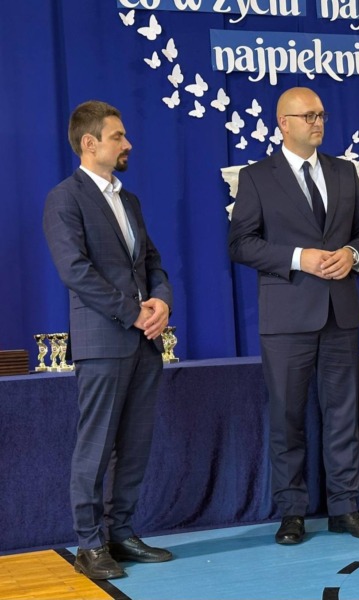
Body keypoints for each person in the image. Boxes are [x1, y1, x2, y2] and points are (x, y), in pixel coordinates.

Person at [228, 87, 359, 544]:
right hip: (286, 315)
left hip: (340, 312)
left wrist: (352, 253)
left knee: (343, 416)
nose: (318, 123)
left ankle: (345, 508)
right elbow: (240, 244)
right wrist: (300, 257)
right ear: (284, 123)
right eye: (308, 116)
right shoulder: (257, 177)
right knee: (287, 416)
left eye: (321, 115)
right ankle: (292, 512)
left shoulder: (344, 171)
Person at [43, 101, 173, 579]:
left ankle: (121, 533)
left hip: (143, 343)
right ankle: (89, 544)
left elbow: (152, 262)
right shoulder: (65, 198)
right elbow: (75, 271)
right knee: (95, 446)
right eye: (118, 136)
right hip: (103, 342)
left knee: (134, 446)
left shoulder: (129, 200)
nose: (127, 144)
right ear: (89, 143)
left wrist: (162, 302)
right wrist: (134, 312)